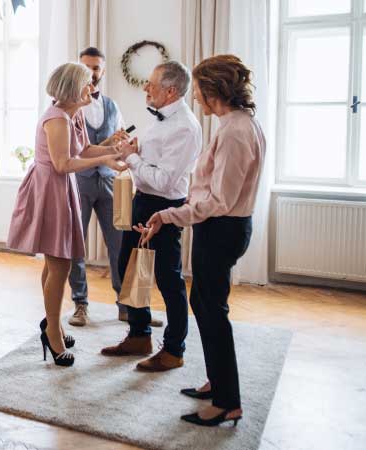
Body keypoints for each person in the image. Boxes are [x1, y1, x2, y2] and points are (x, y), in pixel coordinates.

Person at [136, 55, 265, 427]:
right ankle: (218, 382)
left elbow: (218, 201)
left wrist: (168, 215)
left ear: (214, 92)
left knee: (211, 310)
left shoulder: (236, 131)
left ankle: (227, 402)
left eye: (200, 91)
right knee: (207, 304)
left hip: (223, 228)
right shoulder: (238, 124)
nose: (195, 99)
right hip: (225, 227)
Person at [7, 63, 129, 367]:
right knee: (60, 264)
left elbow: (85, 150)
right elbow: (63, 164)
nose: (92, 88)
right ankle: (53, 334)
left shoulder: (74, 115)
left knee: (55, 263)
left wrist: (110, 155)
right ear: (74, 88)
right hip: (50, 189)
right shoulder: (57, 119)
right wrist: (106, 157)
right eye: (87, 84)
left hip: (61, 188)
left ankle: (53, 325)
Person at [100, 61, 203, 373]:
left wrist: (132, 157)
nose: (146, 88)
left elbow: (164, 181)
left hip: (165, 207)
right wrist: (134, 150)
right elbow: (153, 163)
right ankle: (139, 334)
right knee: (131, 269)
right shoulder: (160, 119)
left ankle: (174, 349)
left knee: (168, 280)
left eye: (152, 84)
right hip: (141, 201)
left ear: (170, 91)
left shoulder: (185, 127)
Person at [67, 47, 162, 328]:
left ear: (103, 70)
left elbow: (119, 148)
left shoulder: (112, 106)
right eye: (86, 67)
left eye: (96, 67)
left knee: (121, 244)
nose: (91, 72)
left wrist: (121, 145)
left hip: (110, 182)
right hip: (79, 182)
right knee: (76, 246)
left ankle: (126, 305)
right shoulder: (70, 106)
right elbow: (74, 151)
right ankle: (80, 303)